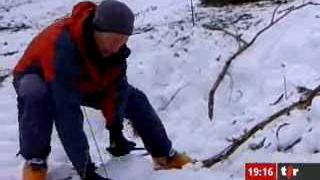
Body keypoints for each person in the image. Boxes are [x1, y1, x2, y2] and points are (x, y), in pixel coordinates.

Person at [13, 0, 192, 180]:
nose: (117, 48)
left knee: (134, 98)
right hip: (38, 75)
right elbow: (66, 112)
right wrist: (85, 169)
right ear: (96, 31)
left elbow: (116, 91)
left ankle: (164, 154)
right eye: (113, 40)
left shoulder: (115, 52)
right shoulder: (63, 45)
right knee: (35, 93)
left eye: (122, 42)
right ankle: (35, 161)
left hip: (80, 80)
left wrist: (115, 129)